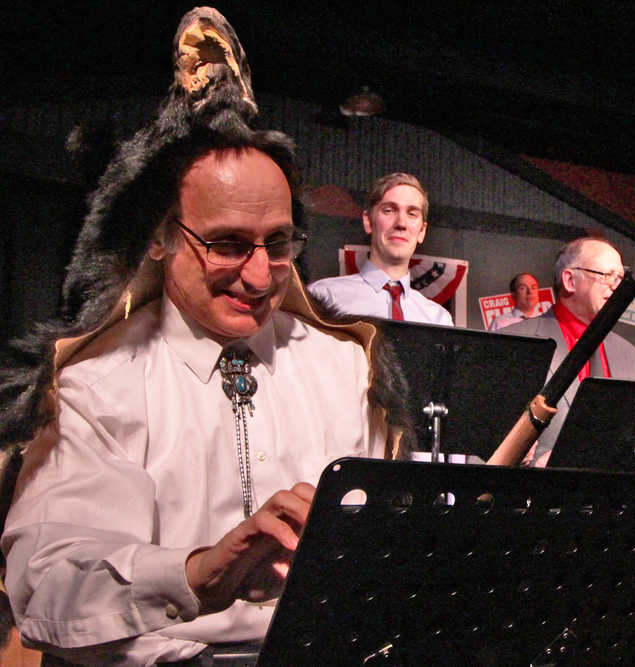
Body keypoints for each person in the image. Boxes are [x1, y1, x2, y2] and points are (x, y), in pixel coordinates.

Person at [0, 11, 411, 662]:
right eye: (226, 244)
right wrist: (197, 574)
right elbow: (47, 588)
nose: (257, 275)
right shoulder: (95, 382)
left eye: (278, 244)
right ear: (160, 238)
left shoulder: (341, 368)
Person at [501, 237, 635, 466]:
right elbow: (484, 446)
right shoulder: (515, 343)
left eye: (620, 278)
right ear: (569, 280)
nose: (617, 286)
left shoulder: (630, 355)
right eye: (607, 276)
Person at [308, 173, 454, 325]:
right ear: (368, 221)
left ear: (422, 231)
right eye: (389, 210)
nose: (401, 223)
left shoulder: (438, 319)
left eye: (412, 214)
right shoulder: (324, 297)